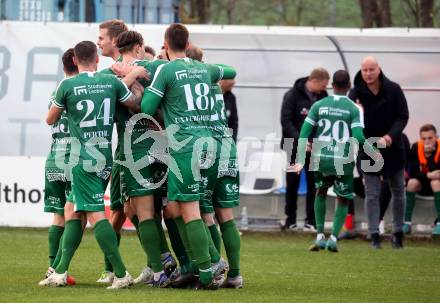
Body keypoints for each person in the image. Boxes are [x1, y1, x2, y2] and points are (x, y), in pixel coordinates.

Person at [39, 41, 143, 289]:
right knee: (73, 210)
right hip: (104, 153)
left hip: (83, 155)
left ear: (74, 60)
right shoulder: (112, 82)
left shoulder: (68, 84)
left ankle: (120, 273)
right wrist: (136, 79)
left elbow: (50, 119)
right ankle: (60, 271)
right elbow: (135, 105)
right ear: (97, 59)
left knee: (96, 214)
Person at [141, 23, 236, 289]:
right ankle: (210, 265)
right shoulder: (203, 69)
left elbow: (147, 107)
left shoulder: (167, 69)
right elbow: (231, 71)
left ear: (166, 43)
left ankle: (207, 273)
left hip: (184, 147)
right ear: (187, 41)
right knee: (186, 209)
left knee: (190, 210)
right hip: (209, 144)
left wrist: (156, 87)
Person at [291, 70, 376, 252]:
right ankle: (334, 239)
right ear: (349, 87)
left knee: (320, 192)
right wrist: (374, 152)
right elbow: (359, 138)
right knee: (343, 199)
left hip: (320, 157)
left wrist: (299, 159)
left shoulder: (319, 105)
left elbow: (304, 133)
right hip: (342, 159)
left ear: (332, 85)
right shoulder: (354, 108)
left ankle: (320, 235)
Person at [186, 44, 243, 288]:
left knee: (203, 212)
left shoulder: (188, 87)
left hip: (207, 149)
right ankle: (235, 275)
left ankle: (214, 269)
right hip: (227, 149)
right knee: (227, 215)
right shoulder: (215, 87)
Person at [349, 56, 409, 249]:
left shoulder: (393, 89)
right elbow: (350, 120)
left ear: (379, 69)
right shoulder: (355, 93)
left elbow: (402, 116)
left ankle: (398, 232)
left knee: (398, 190)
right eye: (364, 70)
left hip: (392, 146)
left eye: (371, 69)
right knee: (372, 193)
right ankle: (374, 235)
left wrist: (390, 137)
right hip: (368, 147)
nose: (367, 74)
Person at [96, 19, 129, 283]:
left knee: (140, 211)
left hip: (138, 150)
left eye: (102, 37)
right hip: (123, 150)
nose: (99, 42)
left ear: (115, 41)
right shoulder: (111, 74)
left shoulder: (123, 72)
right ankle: (110, 269)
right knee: (120, 210)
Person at [42, 48, 78, 285]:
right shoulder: (82, 90)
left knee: (58, 216)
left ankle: (52, 266)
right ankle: (58, 269)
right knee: (75, 215)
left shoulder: (57, 91)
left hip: (54, 157)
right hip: (75, 158)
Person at [280, 68, 330, 231]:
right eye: (323, 85)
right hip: (293, 146)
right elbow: (286, 122)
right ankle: (291, 220)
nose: (325, 88)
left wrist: (316, 142)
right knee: (292, 183)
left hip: (315, 148)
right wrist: (302, 141)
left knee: (314, 184)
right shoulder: (291, 95)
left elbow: (325, 122)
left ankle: (311, 221)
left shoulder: (324, 97)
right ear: (314, 81)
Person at [404, 124, 440, 236]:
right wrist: (428, 175)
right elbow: (411, 172)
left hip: (437, 186)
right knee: (411, 183)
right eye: (423, 138)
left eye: (430, 138)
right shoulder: (415, 147)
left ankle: (439, 224)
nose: (427, 141)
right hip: (422, 184)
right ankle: (407, 223)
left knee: (436, 182)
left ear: (436, 137)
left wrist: (429, 157)